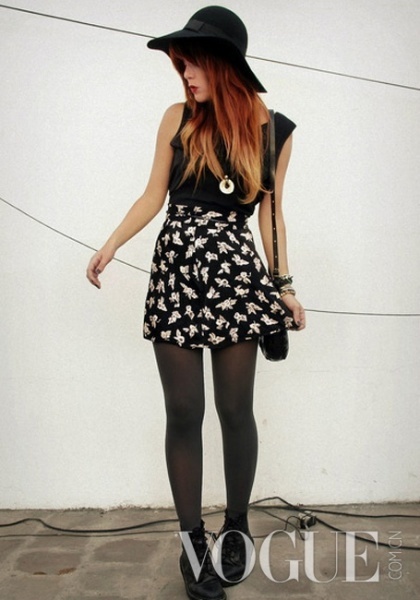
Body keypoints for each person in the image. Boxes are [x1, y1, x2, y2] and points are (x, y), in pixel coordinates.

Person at [86, 6, 305, 599]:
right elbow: (153, 194)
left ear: (222, 64)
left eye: (191, 63)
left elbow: (271, 215)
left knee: (235, 411)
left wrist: (284, 286)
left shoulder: (273, 130)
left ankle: (236, 525)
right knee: (184, 412)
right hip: (176, 274)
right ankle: (192, 546)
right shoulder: (177, 118)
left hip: (236, 278)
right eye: (179, 64)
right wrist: (110, 243)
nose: (183, 74)